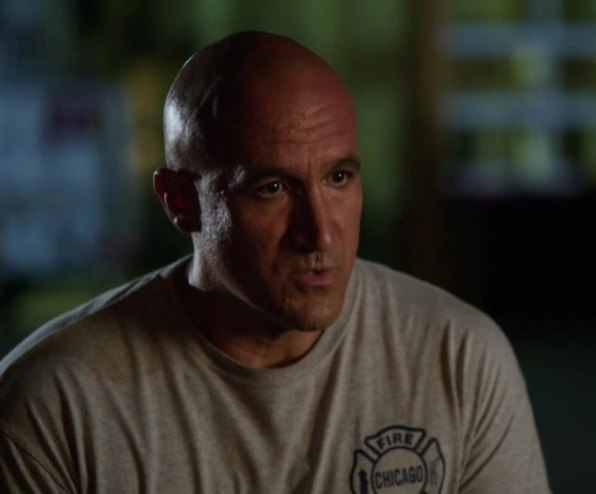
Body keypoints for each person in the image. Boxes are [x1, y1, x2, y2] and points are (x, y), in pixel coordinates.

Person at [0, 31, 550, 493]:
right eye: (271, 188)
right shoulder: (55, 404)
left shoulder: (457, 356)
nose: (320, 233)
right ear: (181, 202)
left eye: (339, 177)